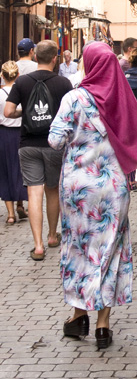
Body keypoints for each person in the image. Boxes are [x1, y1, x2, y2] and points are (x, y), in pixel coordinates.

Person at [48, 42, 137, 350]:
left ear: (90, 64)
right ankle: (102, 326)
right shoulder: (122, 99)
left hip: (79, 190)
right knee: (111, 249)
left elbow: (55, 140)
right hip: (113, 188)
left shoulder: (74, 98)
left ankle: (78, 314)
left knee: (80, 248)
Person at [4, 40, 72, 260]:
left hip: (28, 144)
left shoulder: (22, 82)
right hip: (54, 144)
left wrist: (24, 113)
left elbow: (8, 111)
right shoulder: (63, 83)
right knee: (52, 190)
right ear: (54, 59)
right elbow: (71, 114)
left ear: (35, 56)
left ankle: (38, 245)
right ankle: (52, 236)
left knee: (34, 193)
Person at [0, 61, 28, 224]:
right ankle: (20, 204)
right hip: (21, 133)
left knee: (5, 171)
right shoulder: (22, 91)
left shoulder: (0, 94)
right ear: (18, 75)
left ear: (2, 76)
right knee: (21, 169)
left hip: (4, 134)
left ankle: (10, 214)